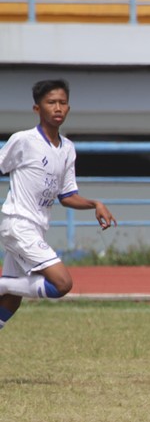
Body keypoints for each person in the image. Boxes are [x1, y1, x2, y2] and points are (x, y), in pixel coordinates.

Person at [0, 79, 117, 331]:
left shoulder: (68, 149)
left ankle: (6, 286)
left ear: (68, 108)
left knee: (11, 300)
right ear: (37, 108)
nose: (57, 108)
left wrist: (95, 203)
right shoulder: (24, 140)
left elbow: (67, 195)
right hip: (18, 224)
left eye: (62, 103)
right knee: (61, 284)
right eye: (51, 102)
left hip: (36, 228)